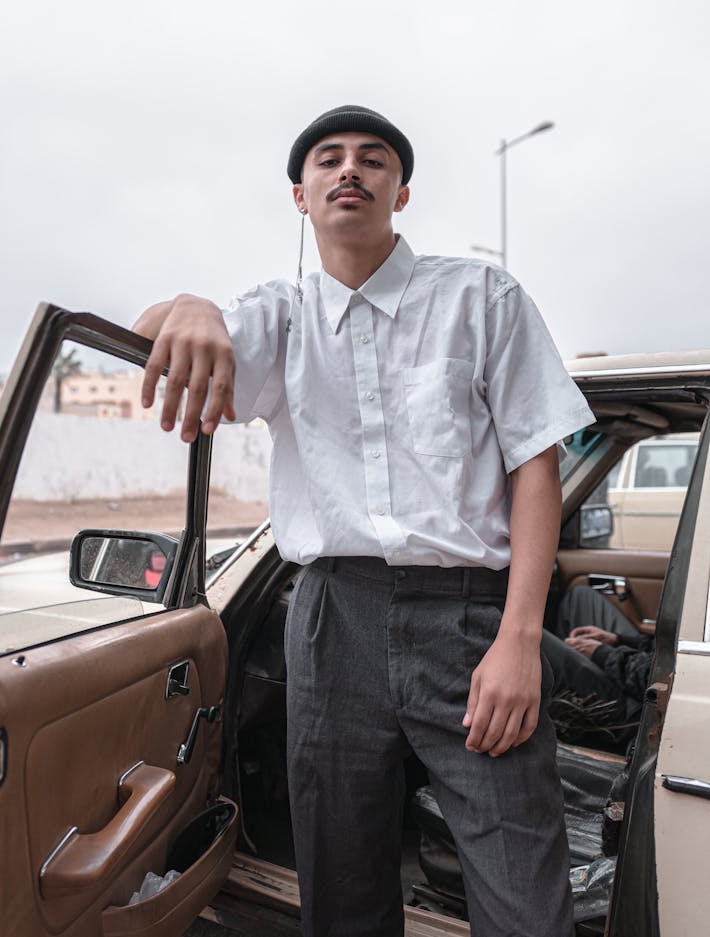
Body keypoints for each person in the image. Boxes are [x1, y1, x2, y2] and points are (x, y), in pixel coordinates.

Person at [133, 105, 595, 937]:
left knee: (526, 898)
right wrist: (189, 301)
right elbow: (145, 342)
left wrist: (521, 639)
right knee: (341, 894)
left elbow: (537, 464)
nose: (350, 168)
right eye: (329, 159)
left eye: (372, 159)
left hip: (468, 622)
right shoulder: (278, 316)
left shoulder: (481, 297)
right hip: (328, 621)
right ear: (301, 197)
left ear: (401, 191)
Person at [543, 585, 654, 729]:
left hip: (643, 707)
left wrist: (601, 653)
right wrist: (619, 640)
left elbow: (657, 676)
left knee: (525, 638)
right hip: (645, 665)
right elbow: (667, 652)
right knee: (580, 599)